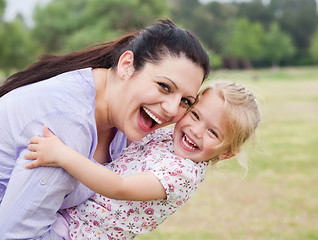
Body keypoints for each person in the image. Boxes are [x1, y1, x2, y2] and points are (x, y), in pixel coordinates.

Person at [0, 19, 210, 239]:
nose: (171, 109)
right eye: (164, 86)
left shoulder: (122, 118)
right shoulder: (67, 126)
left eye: (186, 101)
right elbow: (15, 235)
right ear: (127, 65)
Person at [24, 81, 262, 239]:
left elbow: (120, 187)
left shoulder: (182, 174)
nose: (196, 131)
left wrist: (64, 155)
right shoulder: (170, 137)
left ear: (227, 152)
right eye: (196, 115)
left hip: (80, 233)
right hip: (69, 213)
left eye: (213, 132)